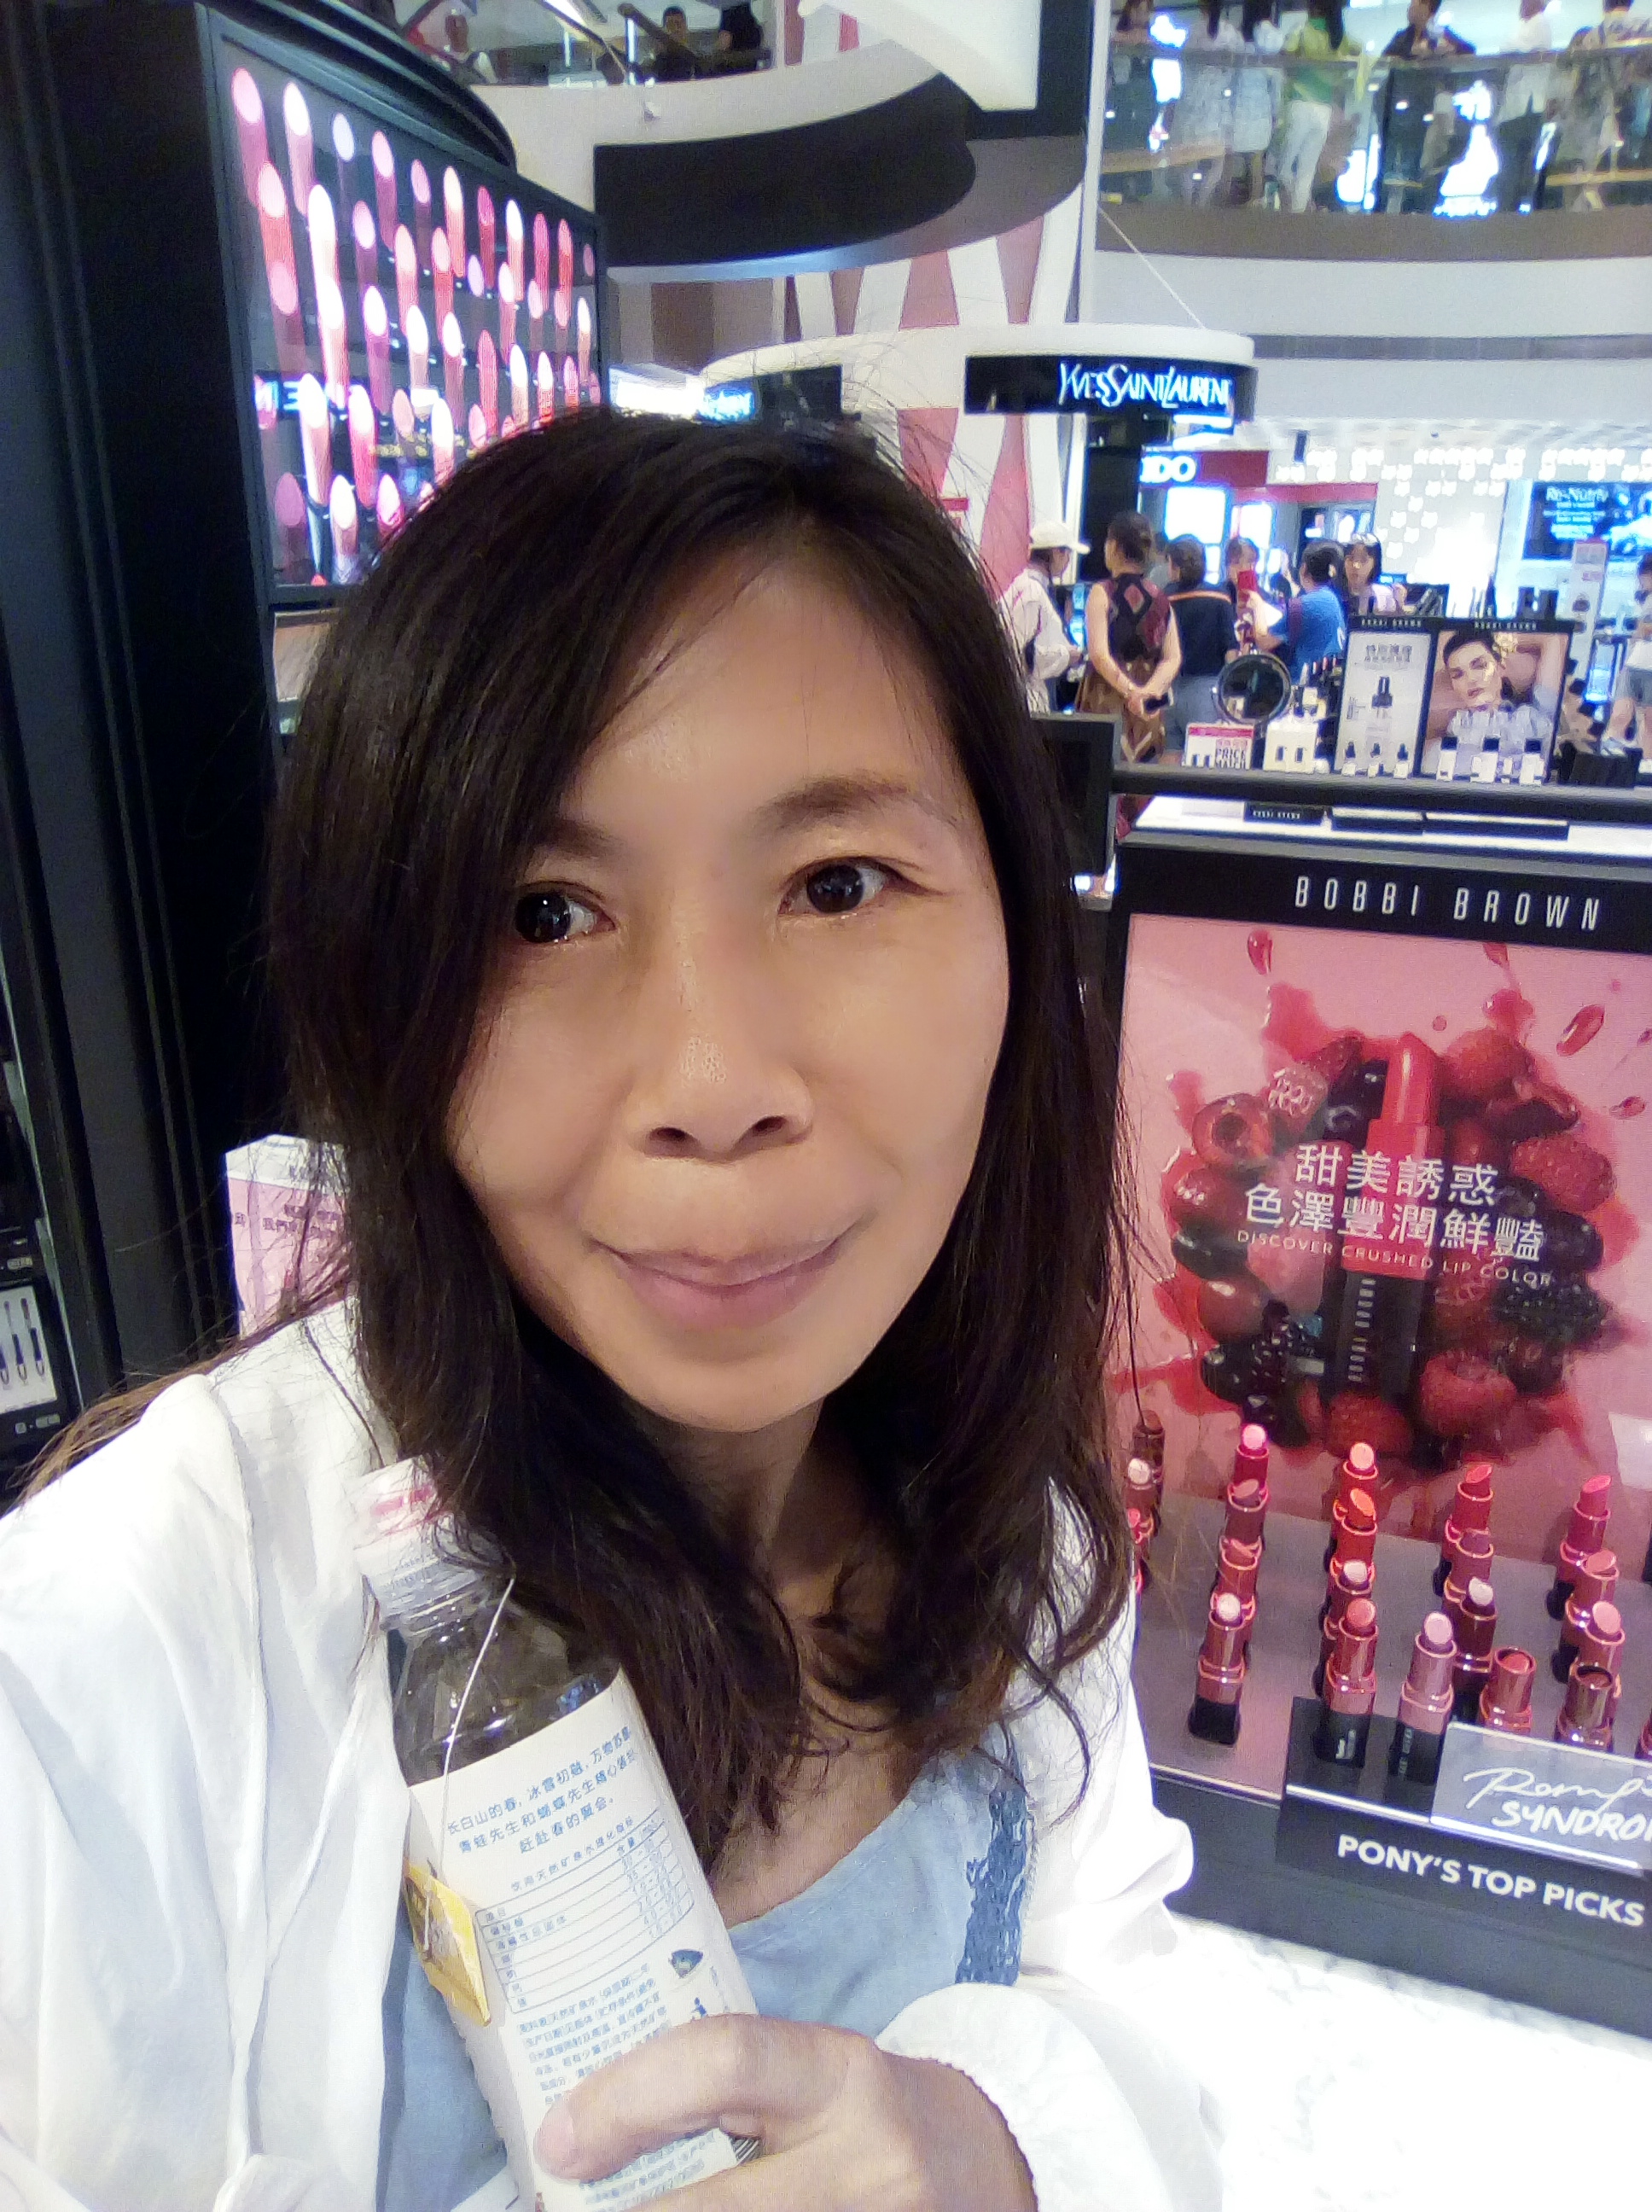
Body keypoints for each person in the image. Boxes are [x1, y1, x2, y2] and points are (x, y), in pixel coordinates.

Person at [0, 416, 1219, 2212]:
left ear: (1022, 941)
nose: (712, 1085)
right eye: (545, 912)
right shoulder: (110, 1651)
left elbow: (1128, 2005)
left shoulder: (997, 1508)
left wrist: (1007, 2145)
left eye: (835, 885)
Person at [1080, 509, 1183, 759]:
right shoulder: (1161, 598)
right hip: (1148, 710)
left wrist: (1130, 692)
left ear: (1114, 546)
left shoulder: (1102, 592)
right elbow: (1173, 657)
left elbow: (1099, 654)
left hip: (1106, 701)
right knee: (1142, 776)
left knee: (1098, 772)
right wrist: (1148, 692)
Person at [1378, 0, 1475, 211]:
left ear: (1428, 9)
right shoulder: (1402, 37)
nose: (1411, 9)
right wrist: (1412, 55)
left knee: (1425, 161)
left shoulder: (1441, 35)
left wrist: (1442, 53)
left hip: (1427, 110)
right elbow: (1386, 59)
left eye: (1416, 4)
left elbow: (1469, 52)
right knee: (1401, 161)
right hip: (1403, 111)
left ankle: (1419, 205)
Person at [1274, 0, 1364, 210]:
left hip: (1300, 101)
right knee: (1307, 169)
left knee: (1284, 166)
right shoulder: (1339, 36)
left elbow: (1285, 55)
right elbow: (1358, 49)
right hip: (1324, 108)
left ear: (1312, 7)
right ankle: (1297, 217)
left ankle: (1286, 208)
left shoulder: (1302, 30)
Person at [1438, 624, 1561, 774]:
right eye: (1458, 675)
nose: (1470, 679)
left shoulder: (1531, 719)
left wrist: (1498, 637)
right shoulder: (1457, 726)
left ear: (1501, 667)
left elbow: (1551, 639)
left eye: (1480, 666)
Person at [998, 520, 1086, 713]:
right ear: (1056, 552)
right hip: (1026, 702)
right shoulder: (1032, 593)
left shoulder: (1028, 587)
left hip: (1028, 699)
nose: (1068, 560)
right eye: (1067, 553)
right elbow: (1017, 653)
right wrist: (1067, 655)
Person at [1164, 536, 1241, 754]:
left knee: (1169, 755)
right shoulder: (1219, 596)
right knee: (1202, 759)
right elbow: (1230, 649)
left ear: (1175, 565)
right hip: (1207, 691)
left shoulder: (1164, 597)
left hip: (1168, 687)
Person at [1169, 0, 1244, 201]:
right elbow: (1237, 64)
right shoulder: (1230, 33)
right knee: (1217, 161)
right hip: (1217, 105)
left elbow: (1184, 63)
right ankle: (1203, 201)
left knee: (1189, 161)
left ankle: (1187, 203)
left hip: (1193, 103)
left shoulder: (1194, 31)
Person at [1248, 538, 1348, 676]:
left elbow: (1264, 642)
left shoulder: (1306, 604)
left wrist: (1257, 605)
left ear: (1304, 569)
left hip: (1303, 684)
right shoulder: (1333, 599)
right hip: (1326, 679)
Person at [1492, 0, 1557, 211]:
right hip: (1517, 109)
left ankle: (1509, 213)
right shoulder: (1525, 26)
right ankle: (1510, 210)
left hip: (1525, 109)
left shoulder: (1540, 23)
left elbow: (1510, 47)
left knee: (1514, 166)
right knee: (1513, 166)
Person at [1229, 0, 1286, 201]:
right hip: (1261, 109)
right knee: (1256, 164)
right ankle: (1255, 207)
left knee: (1229, 163)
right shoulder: (1272, 42)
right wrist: (1277, 112)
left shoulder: (1238, 39)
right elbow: (1276, 82)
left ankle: (1220, 208)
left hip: (1236, 108)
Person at [1107, 0, 1165, 196]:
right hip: (1122, 97)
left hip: (1144, 98)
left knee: (1141, 138)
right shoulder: (1117, 36)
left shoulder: (1149, 39)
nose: (1142, 15)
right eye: (1138, 10)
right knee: (1119, 139)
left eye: (1146, 11)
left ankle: (1138, 187)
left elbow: (1158, 48)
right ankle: (1117, 185)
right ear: (1129, 10)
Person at [1603, 550, 1652, 748]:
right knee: (1620, 716)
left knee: (1648, 723)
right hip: (1635, 665)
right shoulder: (1646, 600)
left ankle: (1646, 762)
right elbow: (1639, 634)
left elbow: (1643, 629)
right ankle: (1607, 756)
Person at [1341, 533, 1405, 614]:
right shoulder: (1332, 595)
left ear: (1375, 564)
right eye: (1351, 559)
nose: (1356, 565)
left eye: (1363, 560)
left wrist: (1399, 606)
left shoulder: (1385, 596)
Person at [649, 3, 701, 79]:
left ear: (685, 27)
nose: (675, 29)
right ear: (664, 30)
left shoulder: (697, 60)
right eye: (671, 25)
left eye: (678, 24)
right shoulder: (655, 62)